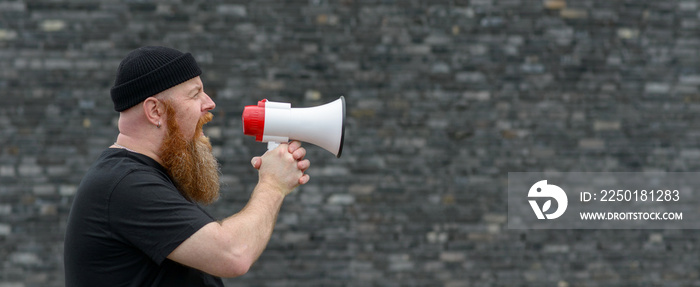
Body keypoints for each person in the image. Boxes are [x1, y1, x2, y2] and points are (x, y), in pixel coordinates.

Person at [64, 46, 311, 286]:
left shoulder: (137, 177)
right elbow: (233, 254)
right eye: (195, 94)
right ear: (154, 110)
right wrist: (272, 185)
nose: (210, 103)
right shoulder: (125, 185)